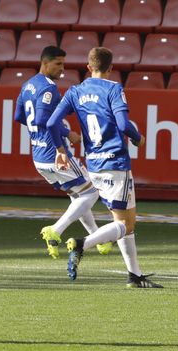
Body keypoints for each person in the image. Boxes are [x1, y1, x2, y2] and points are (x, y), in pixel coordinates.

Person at [47, 47, 161, 289]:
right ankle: (82, 244)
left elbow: (51, 122)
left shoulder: (75, 91)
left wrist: (60, 149)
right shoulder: (113, 89)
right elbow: (122, 123)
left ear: (88, 67)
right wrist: (137, 137)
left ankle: (135, 275)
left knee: (121, 223)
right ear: (111, 68)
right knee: (127, 224)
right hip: (116, 162)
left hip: (94, 163)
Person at [13, 45, 112, 260]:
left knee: (79, 195)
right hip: (53, 153)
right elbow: (42, 120)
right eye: (58, 64)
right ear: (45, 63)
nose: (62, 69)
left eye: (63, 64)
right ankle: (56, 230)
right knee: (92, 191)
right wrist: (66, 136)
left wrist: (38, 134)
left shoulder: (27, 85)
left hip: (38, 157)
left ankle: (97, 238)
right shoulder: (48, 88)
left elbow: (20, 117)